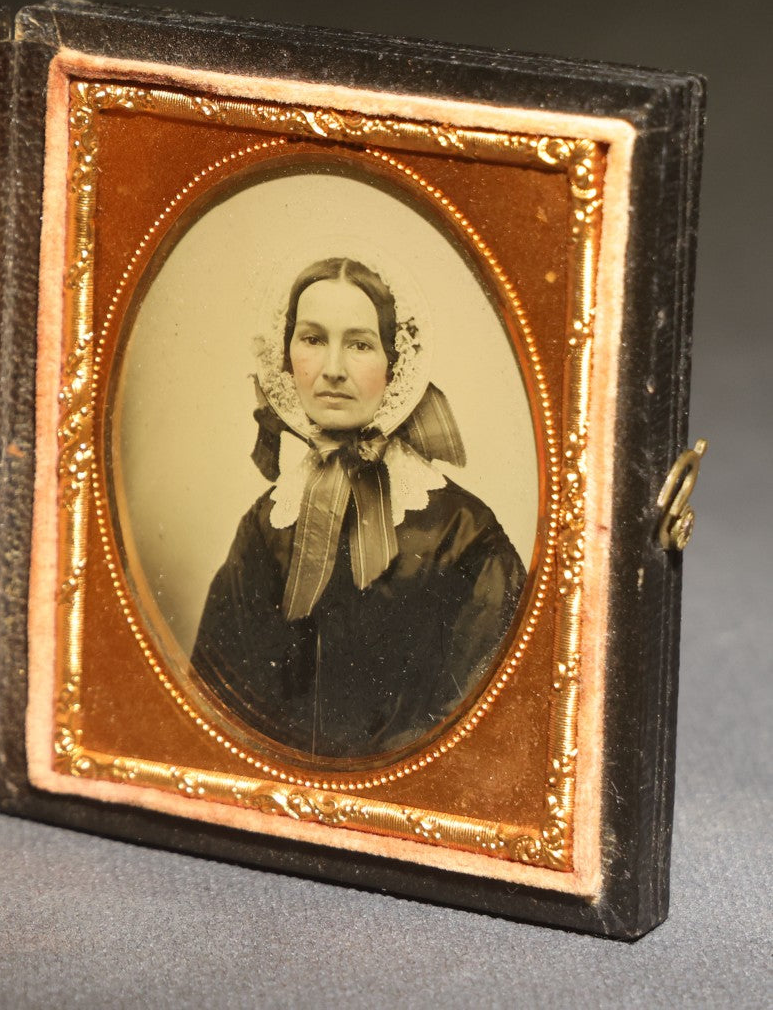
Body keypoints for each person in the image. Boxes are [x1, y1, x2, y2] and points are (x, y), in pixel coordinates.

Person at [189, 257, 525, 763]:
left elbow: (488, 726)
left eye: (360, 344)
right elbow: (218, 698)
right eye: (313, 339)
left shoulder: (463, 534)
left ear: (396, 362)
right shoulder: (267, 525)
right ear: (285, 354)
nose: (332, 370)